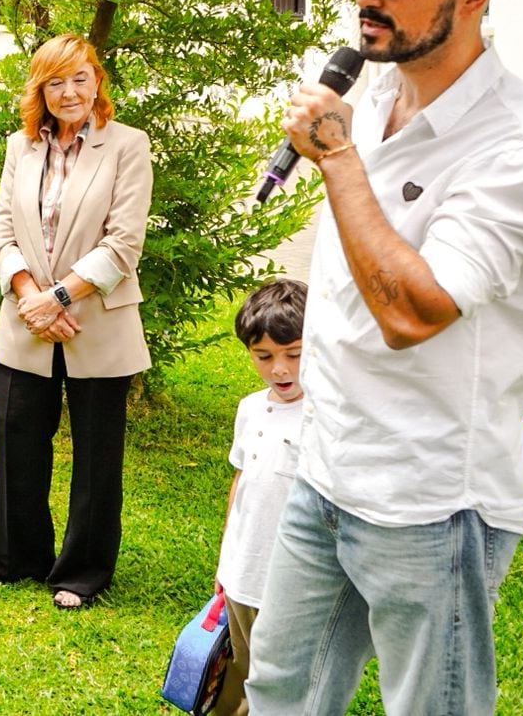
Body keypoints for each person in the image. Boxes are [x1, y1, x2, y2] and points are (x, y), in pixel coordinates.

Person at [246, 0, 523, 715]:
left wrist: (336, 160)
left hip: (431, 499)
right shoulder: (371, 104)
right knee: (278, 687)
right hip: (326, 469)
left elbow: (412, 311)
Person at [0, 32, 153, 610]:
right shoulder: (19, 147)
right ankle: (16, 555)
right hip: (27, 318)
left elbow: (123, 244)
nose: (69, 91)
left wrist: (58, 297)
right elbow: (1, 231)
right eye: (56, 81)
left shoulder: (128, 145)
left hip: (95, 320)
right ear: (41, 90)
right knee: (16, 437)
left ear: (97, 80)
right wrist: (32, 295)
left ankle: (82, 571)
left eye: (79, 77)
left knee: (98, 453)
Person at [211, 279, 308, 716]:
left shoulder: (326, 415)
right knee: (237, 667)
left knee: (282, 681)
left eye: (294, 355)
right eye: (264, 356)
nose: (280, 369)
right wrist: (225, 558)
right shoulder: (250, 407)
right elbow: (242, 479)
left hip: (293, 582)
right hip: (241, 574)